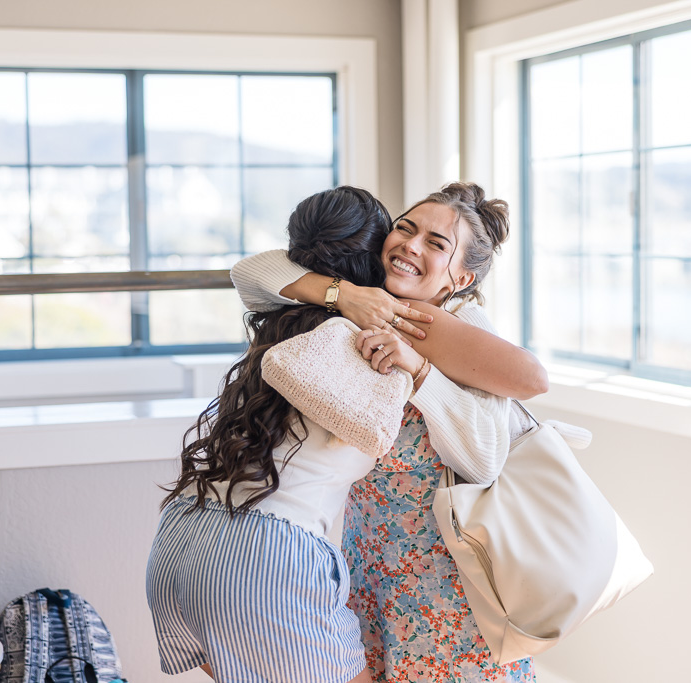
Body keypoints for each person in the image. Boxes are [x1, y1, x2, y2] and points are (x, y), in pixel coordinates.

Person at [229, 181, 548, 682]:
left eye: (436, 244)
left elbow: (485, 458)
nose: (411, 245)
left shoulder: (464, 326)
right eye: (405, 228)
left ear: (460, 277)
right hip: (371, 573)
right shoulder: (360, 302)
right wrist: (344, 294)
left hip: (445, 590)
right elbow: (250, 273)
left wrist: (420, 371)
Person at [145, 186, 394, 683]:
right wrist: (351, 296)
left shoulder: (281, 317)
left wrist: (337, 293)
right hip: (265, 560)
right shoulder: (373, 338)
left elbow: (251, 269)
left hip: (183, 535)